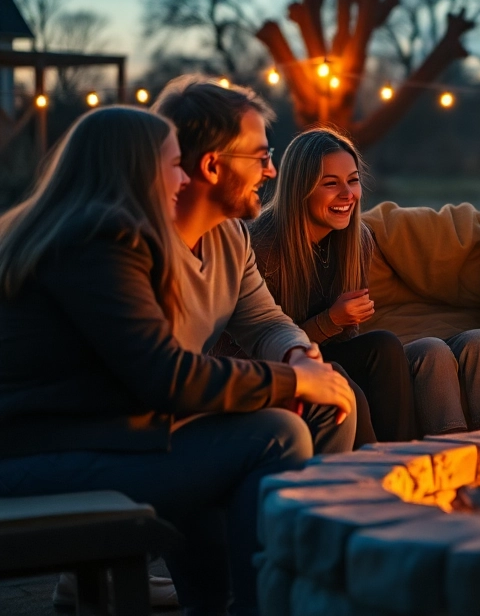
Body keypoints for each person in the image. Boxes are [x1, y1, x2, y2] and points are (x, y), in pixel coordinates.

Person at [0, 106, 354, 616]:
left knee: (263, 425)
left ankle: (234, 597)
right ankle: (252, 602)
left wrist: (298, 363)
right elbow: (164, 377)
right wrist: (291, 381)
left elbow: (250, 326)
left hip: (104, 434)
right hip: (39, 456)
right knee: (270, 437)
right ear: (133, 168)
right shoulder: (96, 244)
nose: (181, 177)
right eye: (172, 164)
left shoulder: (115, 236)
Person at [251, 127, 480, 438]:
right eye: (331, 184)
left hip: (322, 349)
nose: (347, 195)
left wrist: (339, 324)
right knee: (345, 382)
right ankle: (376, 464)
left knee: (384, 345)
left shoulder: (355, 241)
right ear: (300, 189)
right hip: (270, 364)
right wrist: (330, 320)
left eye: (353, 181)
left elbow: (349, 339)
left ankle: (406, 451)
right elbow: (260, 346)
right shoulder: (263, 246)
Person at [152, 74, 358, 453]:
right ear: (213, 167)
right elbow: (164, 374)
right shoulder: (134, 245)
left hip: (193, 408)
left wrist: (300, 355)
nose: (271, 171)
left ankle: (333, 503)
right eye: (261, 157)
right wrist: (292, 381)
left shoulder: (230, 236)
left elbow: (264, 321)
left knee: (330, 399)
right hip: (130, 431)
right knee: (282, 433)